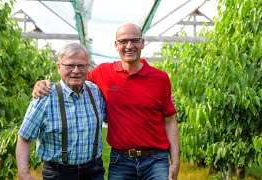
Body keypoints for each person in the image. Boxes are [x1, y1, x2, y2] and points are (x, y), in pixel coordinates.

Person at [32, 23, 180, 180]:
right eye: (123, 41)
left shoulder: (160, 78)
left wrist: (175, 162)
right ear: (116, 45)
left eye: (134, 40)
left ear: (142, 43)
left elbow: (170, 121)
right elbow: (72, 80)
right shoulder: (102, 72)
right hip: (121, 160)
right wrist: (43, 84)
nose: (129, 46)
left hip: (155, 160)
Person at [16, 43, 106, 180]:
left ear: (88, 68)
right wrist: (24, 174)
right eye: (69, 65)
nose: (76, 70)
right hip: (58, 173)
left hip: (94, 171)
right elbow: (24, 136)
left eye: (81, 66)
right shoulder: (45, 97)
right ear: (59, 67)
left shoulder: (95, 91)